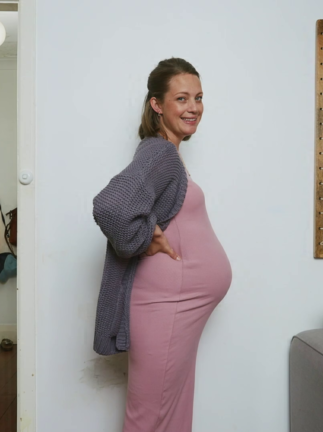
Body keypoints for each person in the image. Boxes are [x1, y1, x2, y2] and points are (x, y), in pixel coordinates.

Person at [92, 57, 232, 432]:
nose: (194, 108)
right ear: (157, 104)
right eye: (182, 98)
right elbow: (110, 205)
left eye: (198, 98)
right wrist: (142, 239)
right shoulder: (160, 153)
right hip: (166, 308)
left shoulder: (169, 155)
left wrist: (151, 227)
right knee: (150, 416)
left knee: (172, 412)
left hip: (177, 308)